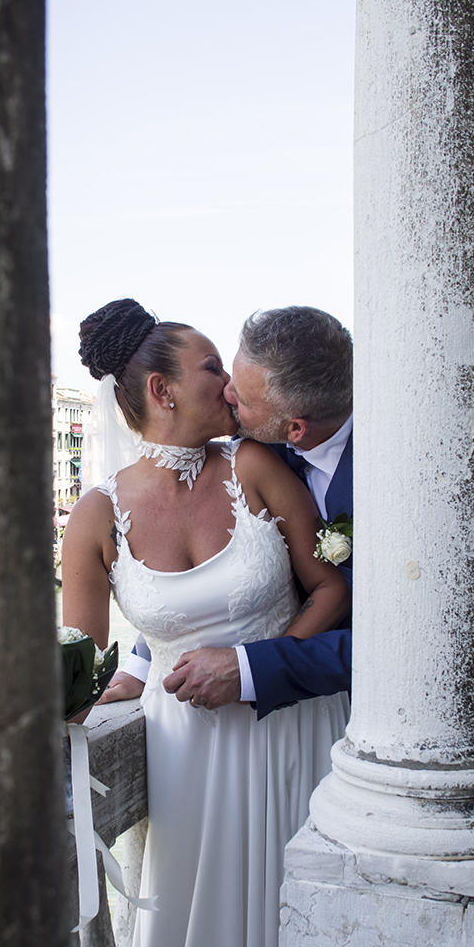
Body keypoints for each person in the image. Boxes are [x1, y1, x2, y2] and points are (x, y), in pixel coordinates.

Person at [61, 299, 350, 947]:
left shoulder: (257, 467)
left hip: (286, 741)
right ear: (158, 391)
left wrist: (261, 668)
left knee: (289, 944)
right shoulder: (95, 514)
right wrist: (70, 708)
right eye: (213, 373)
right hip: (184, 766)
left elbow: (332, 586)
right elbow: (85, 659)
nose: (231, 388)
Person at [102, 305, 353, 719]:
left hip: (330, 705)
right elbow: (197, 586)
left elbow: (396, 637)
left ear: (295, 429)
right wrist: (144, 660)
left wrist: (256, 669)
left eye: (245, 396)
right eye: (224, 372)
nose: (228, 392)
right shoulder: (260, 443)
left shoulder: (388, 482)